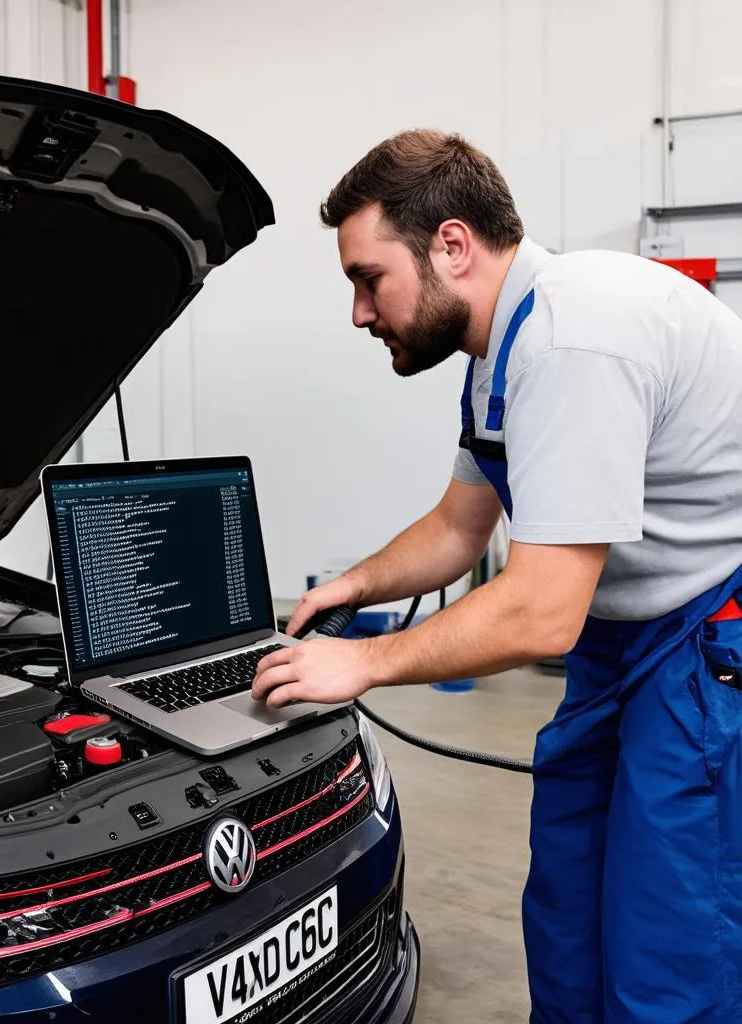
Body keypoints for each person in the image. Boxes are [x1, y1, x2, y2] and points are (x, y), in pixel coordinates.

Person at [251, 128, 742, 1022]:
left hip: (705, 638)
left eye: (368, 279)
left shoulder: (572, 339)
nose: (360, 313)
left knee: (667, 935)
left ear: (451, 244)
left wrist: (361, 664)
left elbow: (541, 614)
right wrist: (350, 589)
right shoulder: (498, 353)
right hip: (618, 640)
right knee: (567, 902)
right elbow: (456, 527)